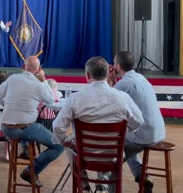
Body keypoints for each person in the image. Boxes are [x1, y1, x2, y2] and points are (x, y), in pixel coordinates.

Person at [52, 56, 144, 193]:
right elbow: (138, 122)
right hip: (113, 155)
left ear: (87, 75)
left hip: (85, 155)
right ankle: (103, 184)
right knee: (106, 143)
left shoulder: (76, 99)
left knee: (70, 144)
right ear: (107, 74)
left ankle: (83, 186)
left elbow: (57, 127)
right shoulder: (123, 98)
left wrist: (65, 141)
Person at [0, 56, 64, 187]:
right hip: (24, 128)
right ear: (39, 69)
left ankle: (25, 149)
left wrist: (9, 106)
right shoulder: (39, 84)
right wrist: (43, 80)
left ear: (22, 67)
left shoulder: (12, 78)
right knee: (59, 145)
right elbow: (50, 100)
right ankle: (31, 171)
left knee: (31, 126)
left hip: (5, 127)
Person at [107, 51, 166, 193]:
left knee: (115, 146)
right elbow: (119, 95)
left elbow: (108, 100)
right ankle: (142, 176)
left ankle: (110, 185)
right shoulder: (140, 77)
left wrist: (109, 80)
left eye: (115, 63)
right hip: (159, 131)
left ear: (118, 67)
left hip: (144, 134)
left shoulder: (125, 83)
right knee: (128, 147)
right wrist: (114, 81)